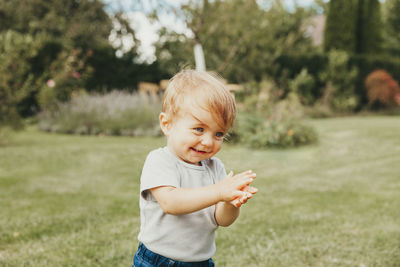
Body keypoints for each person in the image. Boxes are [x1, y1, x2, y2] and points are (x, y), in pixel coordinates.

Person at [133, 70, 258, 267]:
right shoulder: (160, 160)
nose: (208, 142)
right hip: (158, 261)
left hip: (200, 262)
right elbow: (171, 202)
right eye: (199, 129)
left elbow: (222, 220)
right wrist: (219, 191)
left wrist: (231, 201)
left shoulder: (215, 167)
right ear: (167, 124)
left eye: (218, 134)